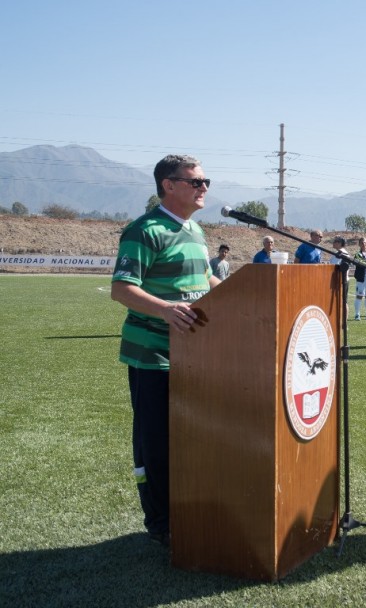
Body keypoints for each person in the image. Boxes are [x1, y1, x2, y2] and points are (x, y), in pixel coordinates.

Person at [111, 154, 220, 547]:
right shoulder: (145, 231)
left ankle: (190, 510)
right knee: (156, 443)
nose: (204, 187)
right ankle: (161, 523)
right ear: (168, 185)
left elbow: (204, 277)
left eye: (206, 180)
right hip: (152, 357)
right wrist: (166, 309)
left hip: (194, 356)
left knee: (195, 439)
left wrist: (232, 289)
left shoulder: (195, 230)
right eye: (195, 181)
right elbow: (122, 288)